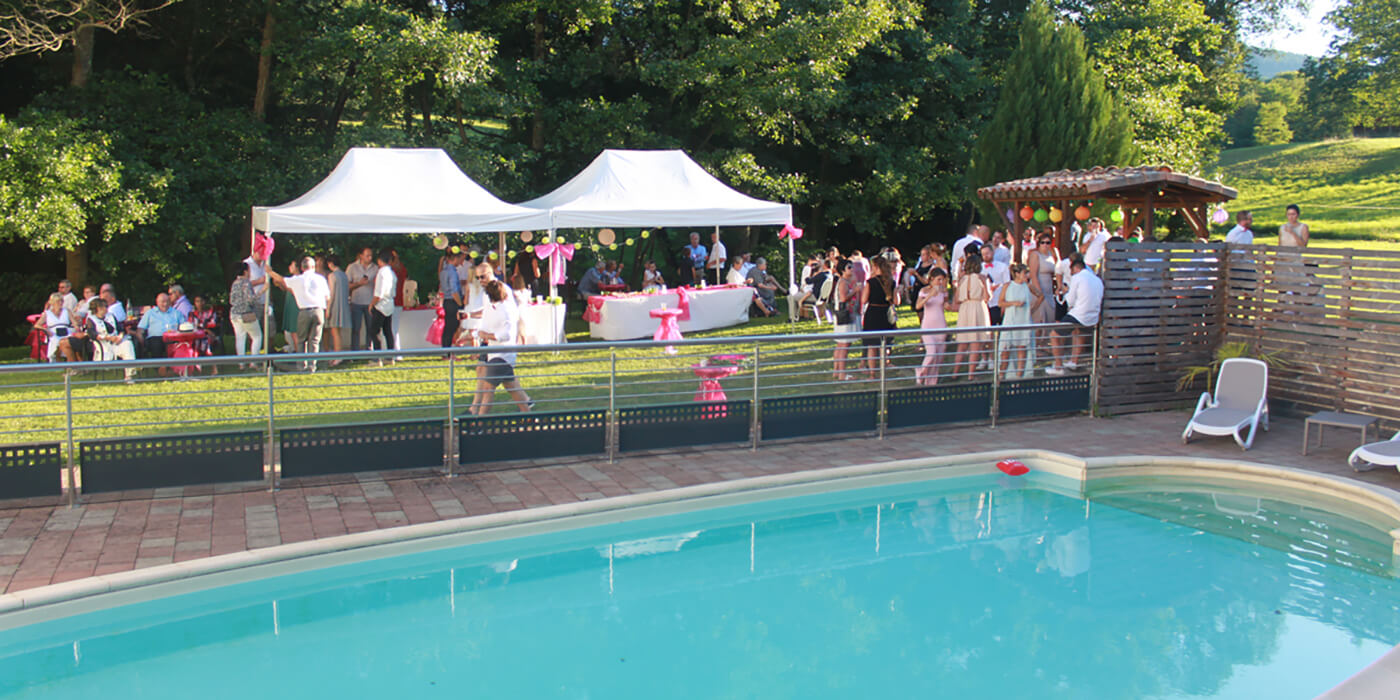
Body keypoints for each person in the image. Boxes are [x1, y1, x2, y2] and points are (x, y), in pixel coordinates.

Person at [470, 280, 534, 416]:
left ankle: (479, 423)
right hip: (494, 355)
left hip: (503, 355)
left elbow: (506, 335)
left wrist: (487, 335)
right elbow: (484, 327)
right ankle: (529, 416)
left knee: (488, 389)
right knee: (512, 389)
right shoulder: (492, 309)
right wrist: (474, 335)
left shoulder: (507, 310)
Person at [270, 256, 331, 370]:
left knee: (302, 340)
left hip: (304, 311)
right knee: (315, 340)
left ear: (302, 268)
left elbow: (282, 279)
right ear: (313, 267)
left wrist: (270, 272)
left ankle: (301, 365)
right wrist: (326, 310)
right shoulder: (321, 279)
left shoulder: (298, 279)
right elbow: (327, 297)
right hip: (319, 310)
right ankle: (312, 366)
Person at [1047, 256, 1104, 375]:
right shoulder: (1097, 280)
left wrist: (1066, 291)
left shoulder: (1077, 278)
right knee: (1078, 331)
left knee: (1054, 334)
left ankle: (1058, 367)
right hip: (1093, 316)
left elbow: (1070, 301)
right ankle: (1074, 361)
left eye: (1071, 271)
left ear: (1075, 268)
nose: (1071, 273)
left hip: (1080, 314)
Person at [952, 255, 990, 381]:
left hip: (964, 308)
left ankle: (955, 373)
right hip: (977, 307)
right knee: (975, 343)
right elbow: (987, 296)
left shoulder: (962, 279)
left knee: (962, 344)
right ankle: (971, 375)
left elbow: (957, 299)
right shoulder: (982, 278)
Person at [86, 298, 137, 383]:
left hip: (117, 341)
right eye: (103, 307)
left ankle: (129, 375)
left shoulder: (111, 316)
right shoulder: (91, 319)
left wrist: (120, 337)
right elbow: (92, 334)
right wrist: (107, 337)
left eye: (106, 306)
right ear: (97, 309)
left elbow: (121, 328)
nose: (106, 309)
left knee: (128, 345)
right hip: (104, 344)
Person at [860, 256, 897, 375]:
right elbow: (897, 301)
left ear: (875, 267)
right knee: (884, 345)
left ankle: (872, 373)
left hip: (873, 313)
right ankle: (883, 371)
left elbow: (864, 300)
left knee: (872, 346)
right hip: (885, 313)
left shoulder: (871, 282)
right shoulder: (891, 282)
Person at [998, 263, 1034, 380]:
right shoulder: (1008, 286)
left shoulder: (1027, 285)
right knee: (1006, 348)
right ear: (1017, 274)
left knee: (1022, 347)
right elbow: (1001, 302)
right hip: (1011, 319)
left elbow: (1040, 295)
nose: (1026, 276)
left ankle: (1019, 375)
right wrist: (1014, 303)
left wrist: (1031, 309)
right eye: (1024, 273)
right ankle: (1001, 374)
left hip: (1024, 319)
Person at [915, 268, 949, 386]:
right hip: (928, 325)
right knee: (932, 351)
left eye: (942, 280)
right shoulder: (924, 290)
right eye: (938, 280)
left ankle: (931, 382)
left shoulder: (943, 291)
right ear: (932, 279)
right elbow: (918, 306)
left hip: (940, 324)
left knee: (938, 357)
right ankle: (921, 372)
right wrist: (929, 296)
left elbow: (945, 305)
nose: (940, 282)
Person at [830, 260, 859, 381]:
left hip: (842, 315)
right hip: (845, 315)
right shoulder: (843, 282)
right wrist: (855, 291)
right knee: (844, 345)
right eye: (849, 267)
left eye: (852, 267)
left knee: (840, 344)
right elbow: (843, 298)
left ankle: (836, 371)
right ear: (843, 270)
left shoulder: (845, 281)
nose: (852, 269)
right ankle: (842, 373)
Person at [229, 262, 262, 361]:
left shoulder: (235, 283)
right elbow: (250, 299)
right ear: (245, 271)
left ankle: (241, 362)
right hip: (246, 314)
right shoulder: (246, 283)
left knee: (240, 337)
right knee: (257, 336)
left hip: (234, 314)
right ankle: (254, 361)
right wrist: (261, 292)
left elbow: (231, 300)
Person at [136, 292, 184, 359]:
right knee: (156, 344)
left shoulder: (176, 313)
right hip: (155, 337)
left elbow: (184, 327)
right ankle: (159, 366)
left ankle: (171, 365)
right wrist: (141, 339)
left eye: (167, 301)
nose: (165, 304)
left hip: (172, 337)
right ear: (157, 302)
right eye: (163, 302)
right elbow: (140, 328)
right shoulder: (150, 313)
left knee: (172, 343)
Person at [346, 246, 377, 351]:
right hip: (356, 302)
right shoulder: (352, 267)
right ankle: (355, 351)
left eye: (371, 255)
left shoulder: (375, 268)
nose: (370, 258)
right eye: (367, 255)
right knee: (356, 328)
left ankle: (369, 349)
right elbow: (346, 285)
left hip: (370, 302)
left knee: (371, 328)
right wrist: (359, 283)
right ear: (361, 256)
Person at [368, 249, 398, 358]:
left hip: (380, 305)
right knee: (388, 331)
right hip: (390, 303)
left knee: (374, 332)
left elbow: (378, 293)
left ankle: (377, 357)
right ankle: (390, 356)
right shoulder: (392, 273)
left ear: (379, 260)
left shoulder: (381, 272)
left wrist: (372, 304)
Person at [35, 293, 76, 362]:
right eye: (58, 301)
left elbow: (74, 322)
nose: (60, 303)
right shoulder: (47, 313)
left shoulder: (67, 311)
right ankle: (56, 358)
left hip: (66, 331)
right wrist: (46, 330)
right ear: (53, 302)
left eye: (62, 301)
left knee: (69, 340)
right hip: (53, 332)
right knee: (56, 341)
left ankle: (69, 359)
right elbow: (37, 325)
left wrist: (76, 326)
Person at [325, 254, 351, 360]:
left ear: (331, 264)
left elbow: (331, 293)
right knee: (338, 332)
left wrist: (328, 309)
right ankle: (338, 355)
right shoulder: (344, 275)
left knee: (335, 331)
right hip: (344, 305)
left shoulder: (332, 276)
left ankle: (337, 356)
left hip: (335, 305)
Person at [439, 250, 464, 351]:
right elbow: (454, 291)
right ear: (455, 259)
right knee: (452, 326)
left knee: (448, 327)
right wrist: (460, 304)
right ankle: (448, 351)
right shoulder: (452, 272)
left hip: (446, 300)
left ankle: (445, 349)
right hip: (452, 301)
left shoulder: (443, 271)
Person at [981, 243, 1009, 326]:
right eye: (983, 254)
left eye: (987, 253)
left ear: (992, 253)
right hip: (986, 303)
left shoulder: (1002, 267)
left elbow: (1006, 285)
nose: (985, 256)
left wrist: (1004, 303)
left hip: (999, 302)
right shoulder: (979, 268)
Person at [188, 295, 223, 361]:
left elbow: (213, 324)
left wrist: (201, 326)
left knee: (206, 339)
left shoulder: (210, 312)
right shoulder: (192, 314)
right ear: (195, 303)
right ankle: (195, 359)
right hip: (196, 334)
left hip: (209, 334)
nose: (200, 303)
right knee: (194, 340)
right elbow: (191, 325)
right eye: (197, 301)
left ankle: (208, 360)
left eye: (201, 301)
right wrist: (204, 328)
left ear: (205, 302)